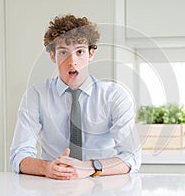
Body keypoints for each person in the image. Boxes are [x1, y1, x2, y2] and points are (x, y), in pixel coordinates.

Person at [10, 14, 141, 180]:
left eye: (80, 51)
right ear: (52, 56)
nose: (72, 62)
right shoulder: (36, 95)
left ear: (91, 54)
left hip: (103, 184)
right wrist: (47, 168)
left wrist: (89, 167)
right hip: (53, 185)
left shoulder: (114, 96)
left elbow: (132, 157)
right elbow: (18, 156)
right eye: (63, 52)